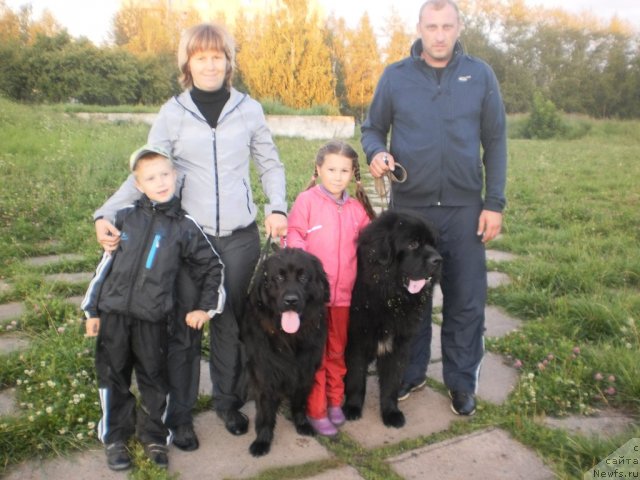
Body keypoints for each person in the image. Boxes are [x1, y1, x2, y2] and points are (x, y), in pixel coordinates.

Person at [93, 23, 287, 449]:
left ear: (229, 61)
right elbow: (145, 172)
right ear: (187, 63)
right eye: (201, 57)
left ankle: (227, 401)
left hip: (239, 238)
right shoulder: (173, 113)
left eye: (218, 56)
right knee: (185, 329)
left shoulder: (249, 109)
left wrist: (276, 206)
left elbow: (270, 164)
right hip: (187, 241)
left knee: (230, 324)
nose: (210, 64)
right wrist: (106, 212)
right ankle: (180, 417)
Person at [361, 0, 507, 416]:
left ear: (459, 27)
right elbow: (372, 127)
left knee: (465, 299)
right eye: (432, 26)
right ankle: (411, 373)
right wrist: (375, 151)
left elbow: (495, 142)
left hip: (465, 209)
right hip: (412, 211)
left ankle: (462, 383)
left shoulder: (480, 75)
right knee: (412, 297)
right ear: (420, 28)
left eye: (447, 26)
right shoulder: (396, 76)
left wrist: (493, 203)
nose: (439, 35)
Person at [82, 145, 225, 471]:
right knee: (112, 376)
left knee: (154, 381)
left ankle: (154, 437)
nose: (160, 182)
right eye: (150, 177)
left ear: (175, 177)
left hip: (153, 320)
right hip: (115, 316)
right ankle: (115, 437)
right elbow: (104, 267)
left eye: (165, 175)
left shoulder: (184, 227)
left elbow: (212, 267)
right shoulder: (123, 218)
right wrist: (92, 311)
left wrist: (205, 308)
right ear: (138, 183)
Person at [285, 140, 376, 436]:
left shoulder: (356, 209)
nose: (338, 176)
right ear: (319, 169)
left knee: (337, 352)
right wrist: (306, 267)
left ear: (353, 173)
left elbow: (368, 243)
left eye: (345, 170)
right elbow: (294, 236)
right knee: (316, 354)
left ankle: (335, 401)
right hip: (314, 301)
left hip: (344, 299)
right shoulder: (306, 202)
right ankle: (316, 408)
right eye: (332, 169)